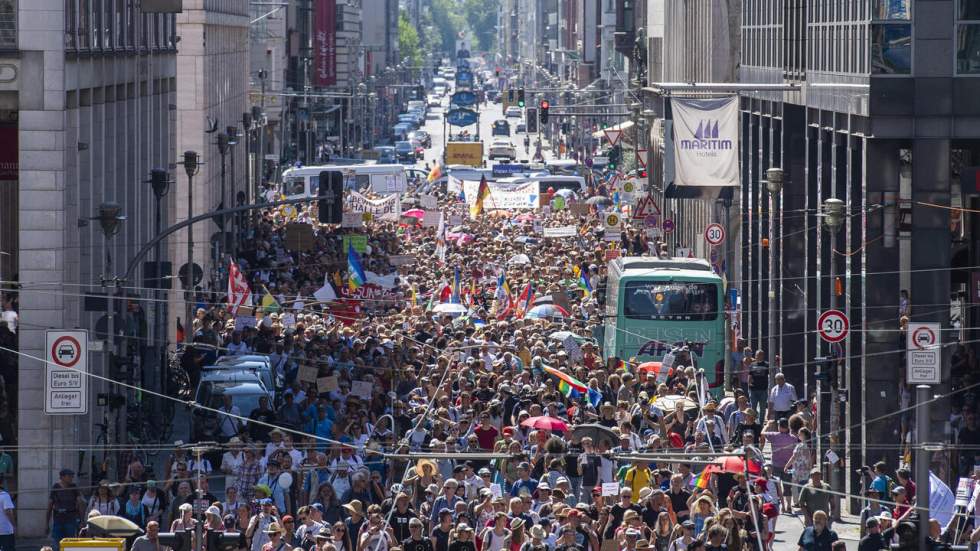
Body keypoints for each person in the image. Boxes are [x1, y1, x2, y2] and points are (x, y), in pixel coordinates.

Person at [47, 468, 83, 546]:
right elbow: (50, 505)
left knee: (70, 544)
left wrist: (81, 520)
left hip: (70, 519)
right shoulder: (56, 487)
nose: (71, 478)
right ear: (62, 477)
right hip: (58, 520)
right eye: (69, 476)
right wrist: (46, 523)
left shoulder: (74, 487)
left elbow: (79, 503)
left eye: (72, 476)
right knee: (56, 543)